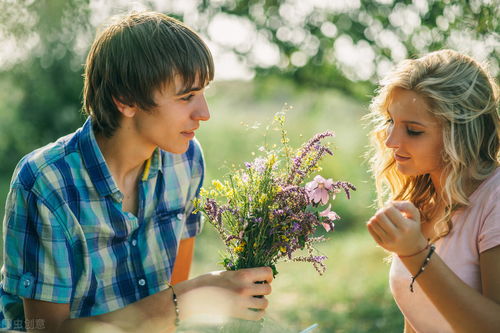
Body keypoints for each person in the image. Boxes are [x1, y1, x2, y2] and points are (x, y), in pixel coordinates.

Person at [0, 11, 273, 332]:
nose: (204, 113)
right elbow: (45, 330)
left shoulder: (186, 161)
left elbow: (171, 308)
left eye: (203, 93)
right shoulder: (46, 183)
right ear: (126, 100)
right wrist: (185, 299)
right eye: (187, 97)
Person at [365, 49, 499, 333]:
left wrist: (416, 253)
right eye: (391, 122)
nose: (390, 141)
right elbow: (417, 318)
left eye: (413, 130)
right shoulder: (423, 200)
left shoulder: (494, 199)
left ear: (459, 134)